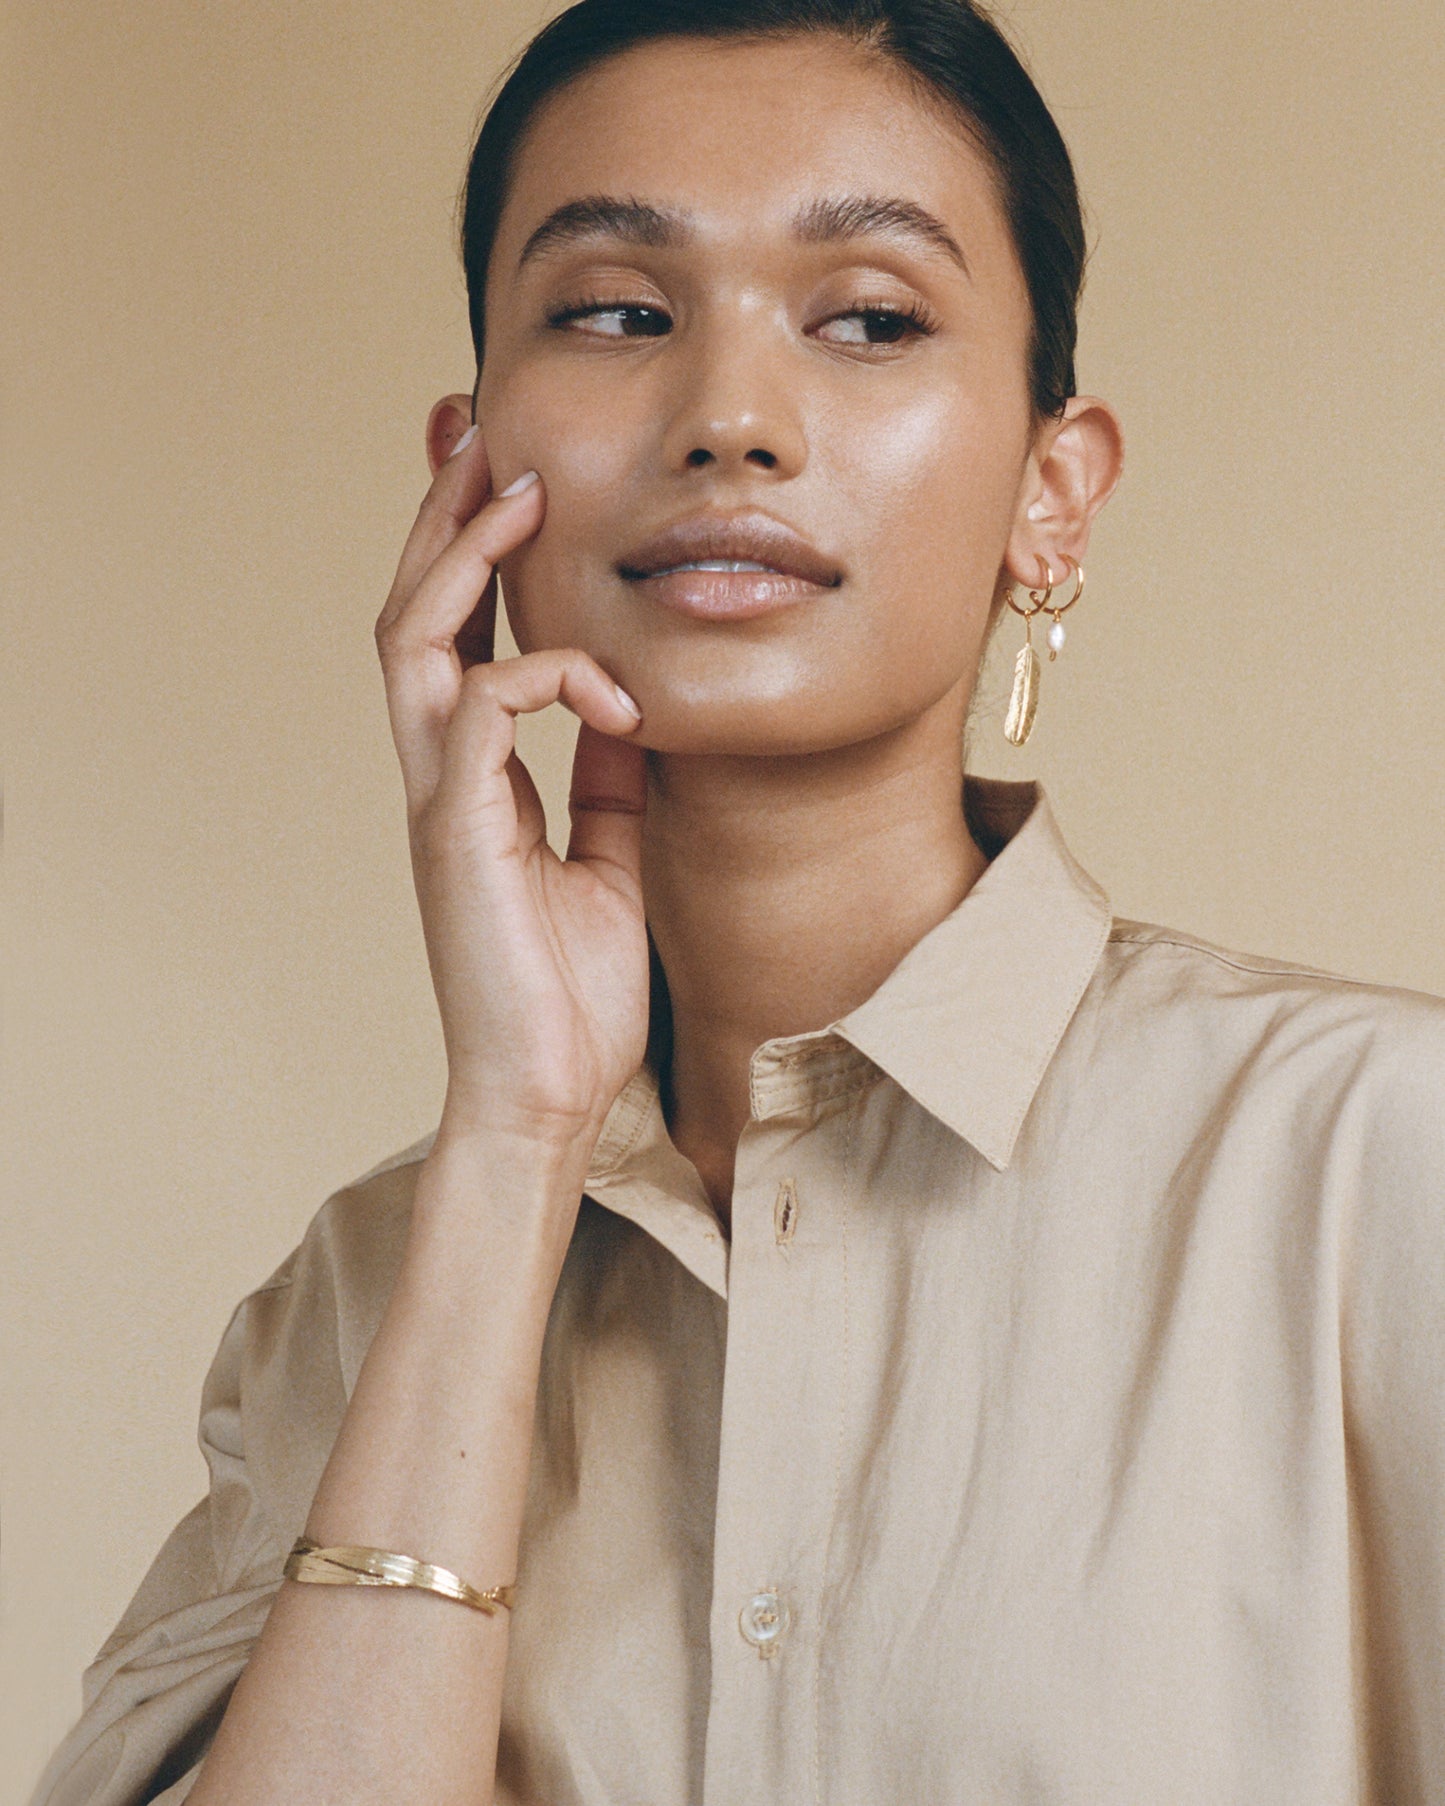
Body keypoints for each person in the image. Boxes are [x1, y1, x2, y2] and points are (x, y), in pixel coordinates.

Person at [32, 1, 1445, 1802]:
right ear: (470, 472)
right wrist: (516, 1134)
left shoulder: (1375, 1166)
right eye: (617, 310)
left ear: (1052, 492)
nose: (728, 419)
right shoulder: (357, 1298)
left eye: (867, 317)